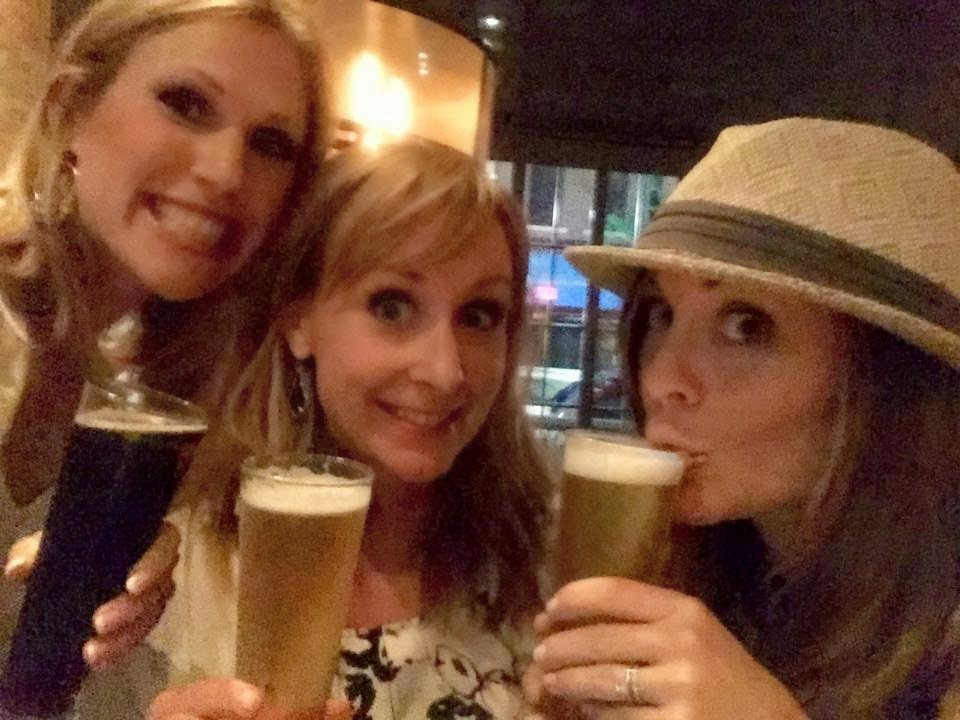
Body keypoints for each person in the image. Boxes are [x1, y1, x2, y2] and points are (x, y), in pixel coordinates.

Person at [524, 117, 960, 719]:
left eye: (745, 325)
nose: (661, 379)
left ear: (891, 384)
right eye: (662, 314)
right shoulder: (707, 580)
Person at [145, 138, 553, 719]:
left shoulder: (544, 570)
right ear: (298, 321)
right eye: (392, 306)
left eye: (479, 315)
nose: (445, 371)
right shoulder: (172, 575)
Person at [0, 0, 328, 700]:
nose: (227, 172)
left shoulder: (180, 407)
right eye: (187, 104)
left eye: (271, 144)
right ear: (67, 109)